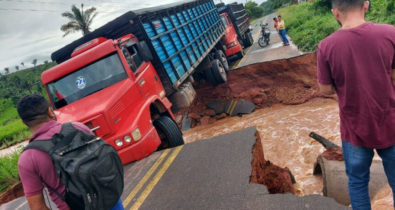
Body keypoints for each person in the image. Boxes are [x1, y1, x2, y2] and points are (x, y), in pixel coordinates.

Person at [317, 0, 395, 209]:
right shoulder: (390, 33)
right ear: (366, 5)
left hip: (354, 130)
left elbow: (324, 90)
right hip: (390, 123)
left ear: (335, 13)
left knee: (358, 183)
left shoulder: (326, 46)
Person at [17, 94, 124, 210]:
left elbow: (38, 207)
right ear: (49, 111)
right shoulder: (77, 127)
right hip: (109, 199)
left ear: (23, 122)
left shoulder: (28, 158)